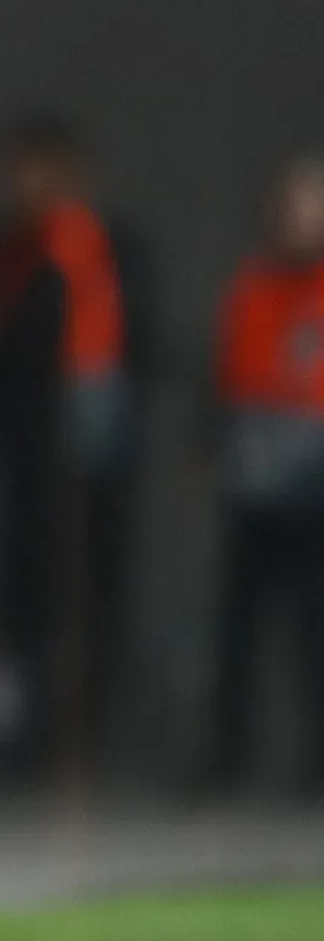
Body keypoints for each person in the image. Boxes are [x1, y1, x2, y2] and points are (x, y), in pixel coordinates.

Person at [0, 117, 142, 782]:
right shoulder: (6, 251)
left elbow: (126, 341)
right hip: (27, 450)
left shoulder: (100, 247)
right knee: (24, 597)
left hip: (89, 448)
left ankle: (81, 738)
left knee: (90, 595)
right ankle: (26, 739)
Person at [201, 156, 324, 790]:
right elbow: (230, 372)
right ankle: (226, 757)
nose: (297, 222)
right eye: (289, 208)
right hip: (253, 474)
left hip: (314, 479)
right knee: (237, 624)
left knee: (313, 627)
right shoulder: (252, 284)